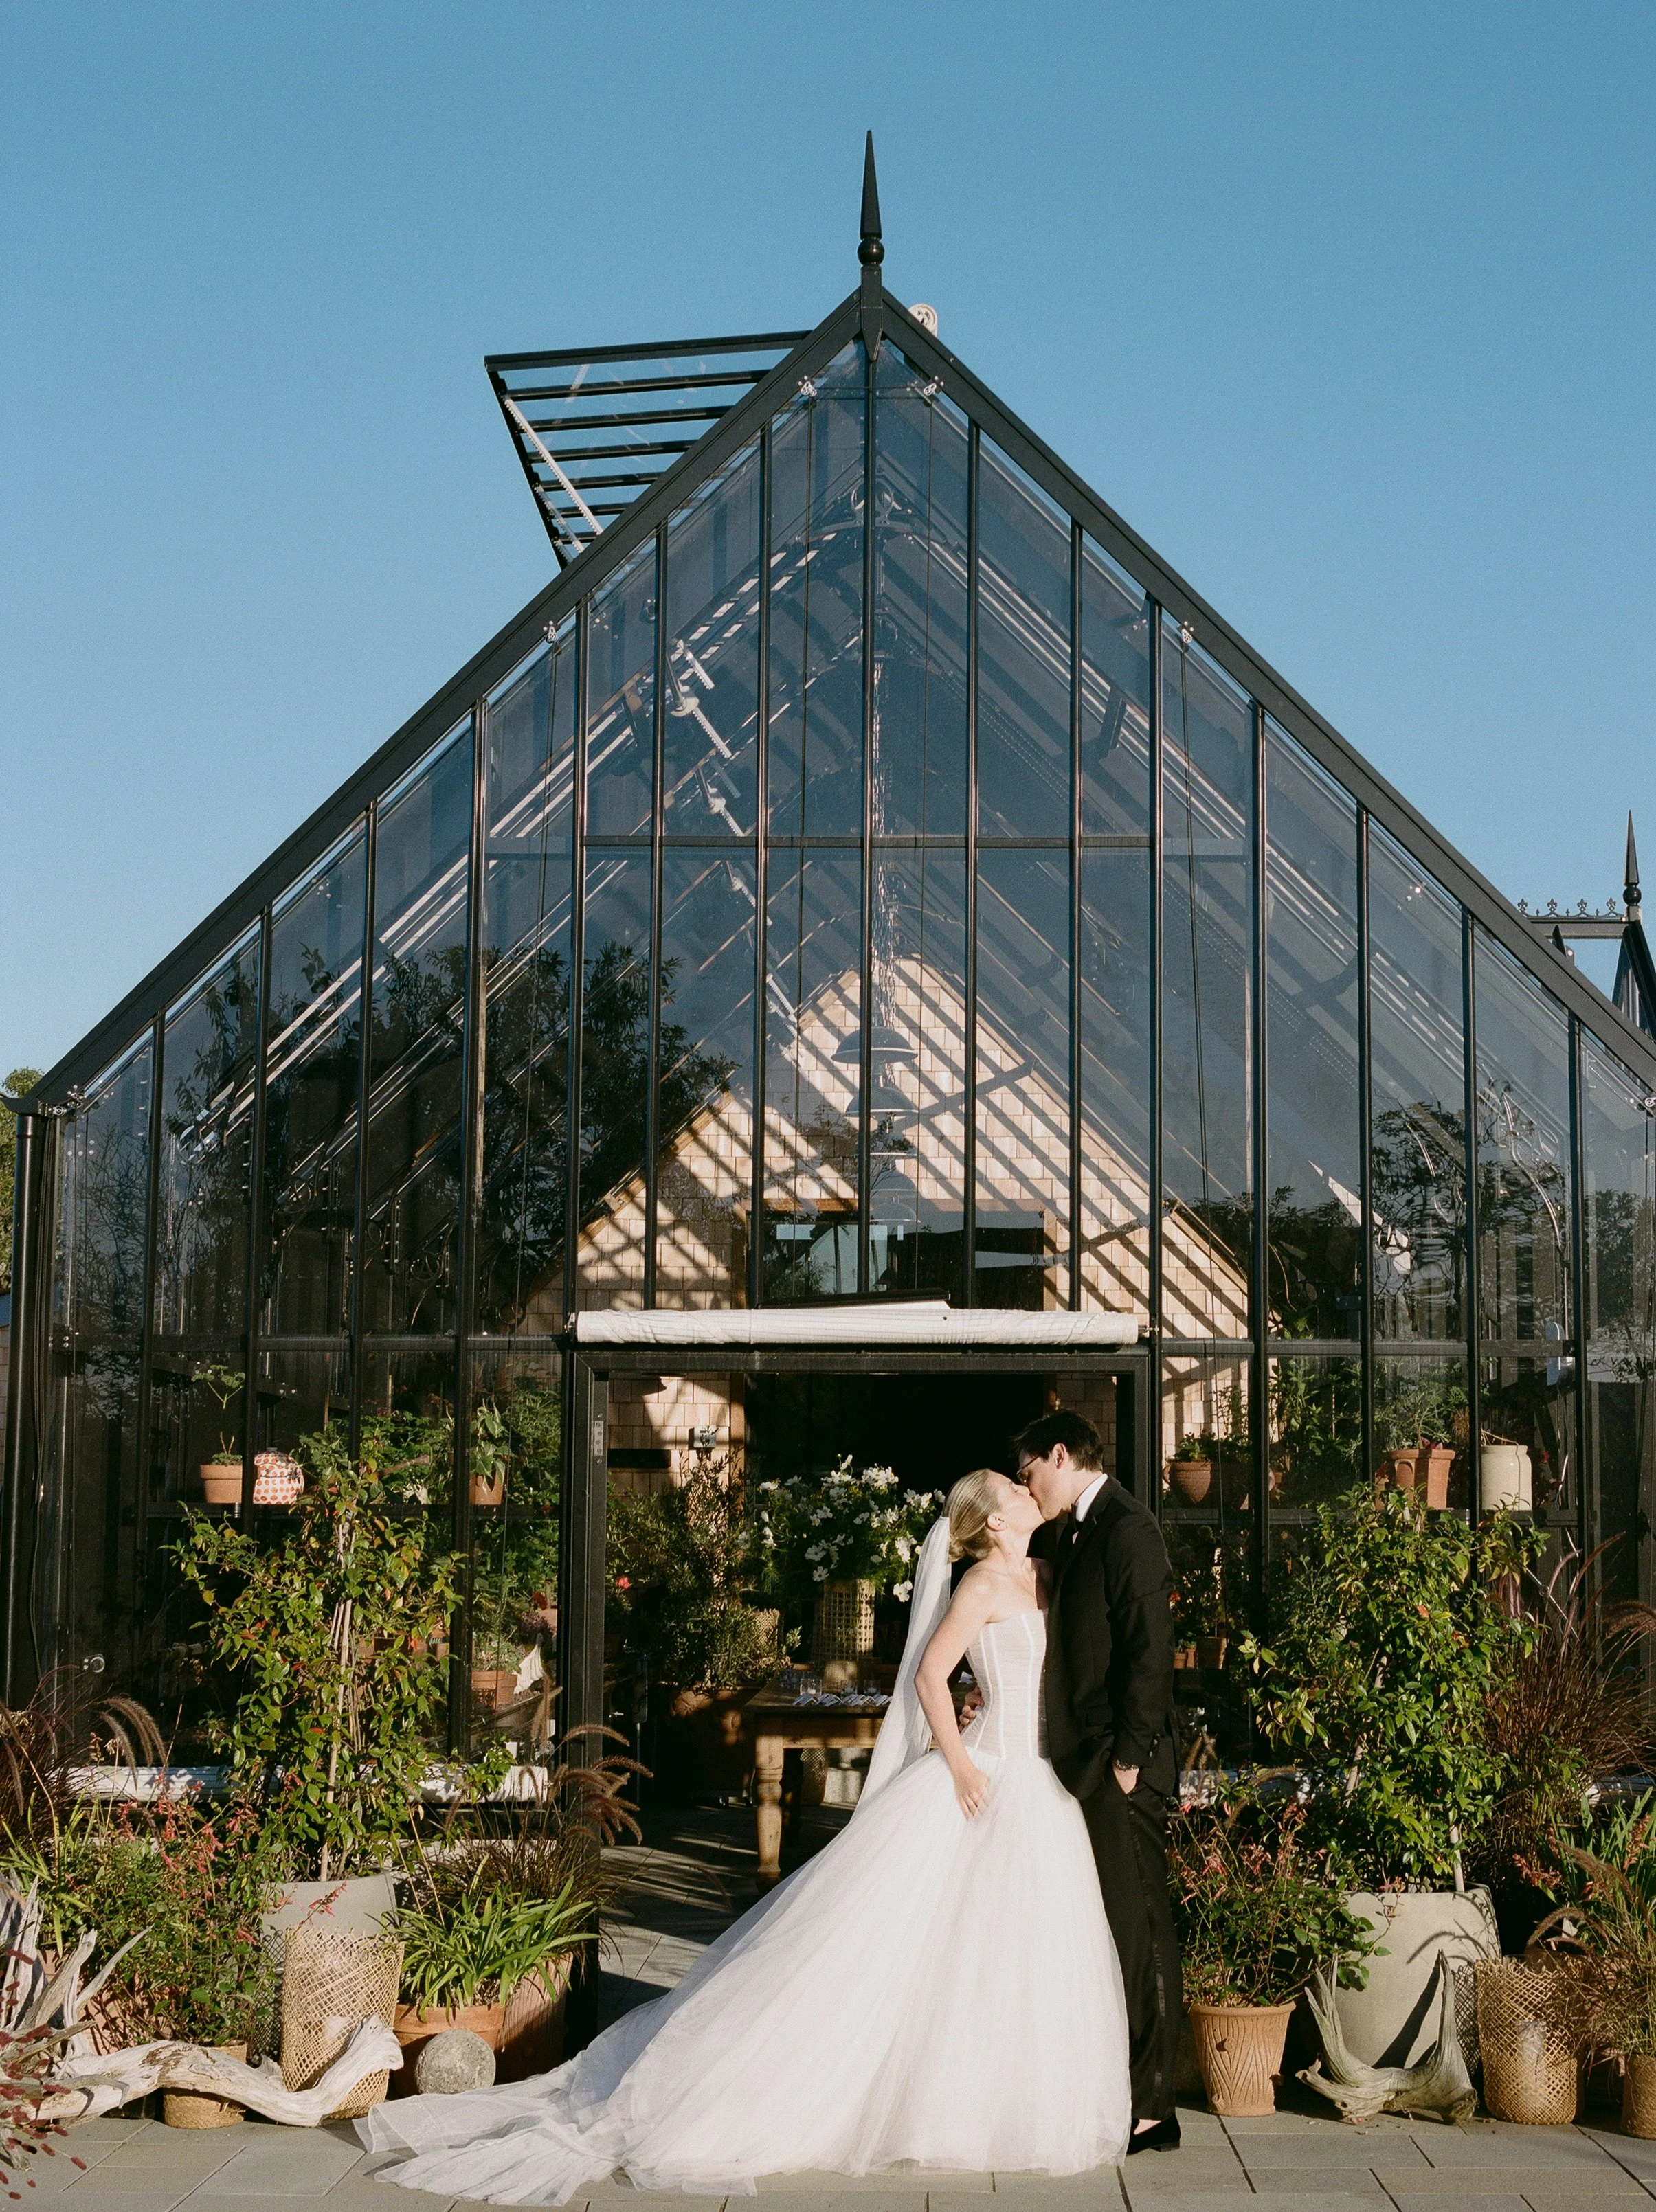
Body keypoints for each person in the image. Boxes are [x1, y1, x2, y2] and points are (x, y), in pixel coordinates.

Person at [360, 1469, 1132, 2202]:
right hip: (988, 1771)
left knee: (1009, 1951)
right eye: (1015, 1490)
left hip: (1040, 1781)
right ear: (994, 1519)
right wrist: (959, 1762)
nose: (1030, 1492)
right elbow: (932, 1675)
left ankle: (988, 2098)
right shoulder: (983, 1584)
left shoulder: (1046, 1574)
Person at [1013, 1409, 1183, 2154]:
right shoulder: (1077, 1530)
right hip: (1085, 1767)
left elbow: (1151, 1653)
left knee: (1140, 1928)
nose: (1028, 1485)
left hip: (1122, 1772)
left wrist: (1127, 1760)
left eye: (1029, 1472)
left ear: (1059, 1453)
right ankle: (1125, 2085)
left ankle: (1154, 2108)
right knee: (1112, 1929)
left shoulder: (1128, 1527)